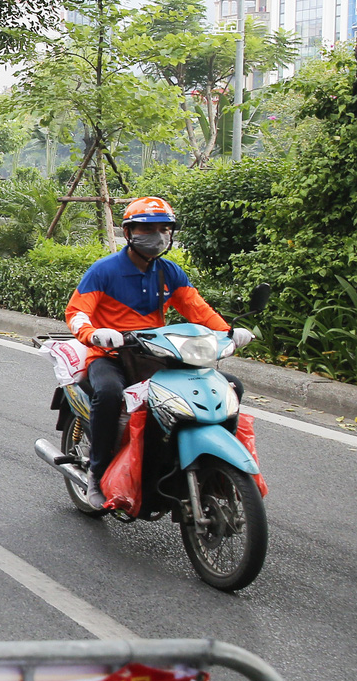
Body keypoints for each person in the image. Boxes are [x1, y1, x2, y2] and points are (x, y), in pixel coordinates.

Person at [65, 197, 250, 511]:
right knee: (109, 394)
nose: (158, 236)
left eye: (164, 228)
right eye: (148, 228)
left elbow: (199, 311)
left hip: (156, 356)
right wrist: (95, 333)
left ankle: (209, 467)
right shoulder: (104, 271)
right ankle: (97, 473)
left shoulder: (169, 272)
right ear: (129, 232)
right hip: (110, 356)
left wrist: (228, 333)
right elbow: (77, 312)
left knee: (230, 386)